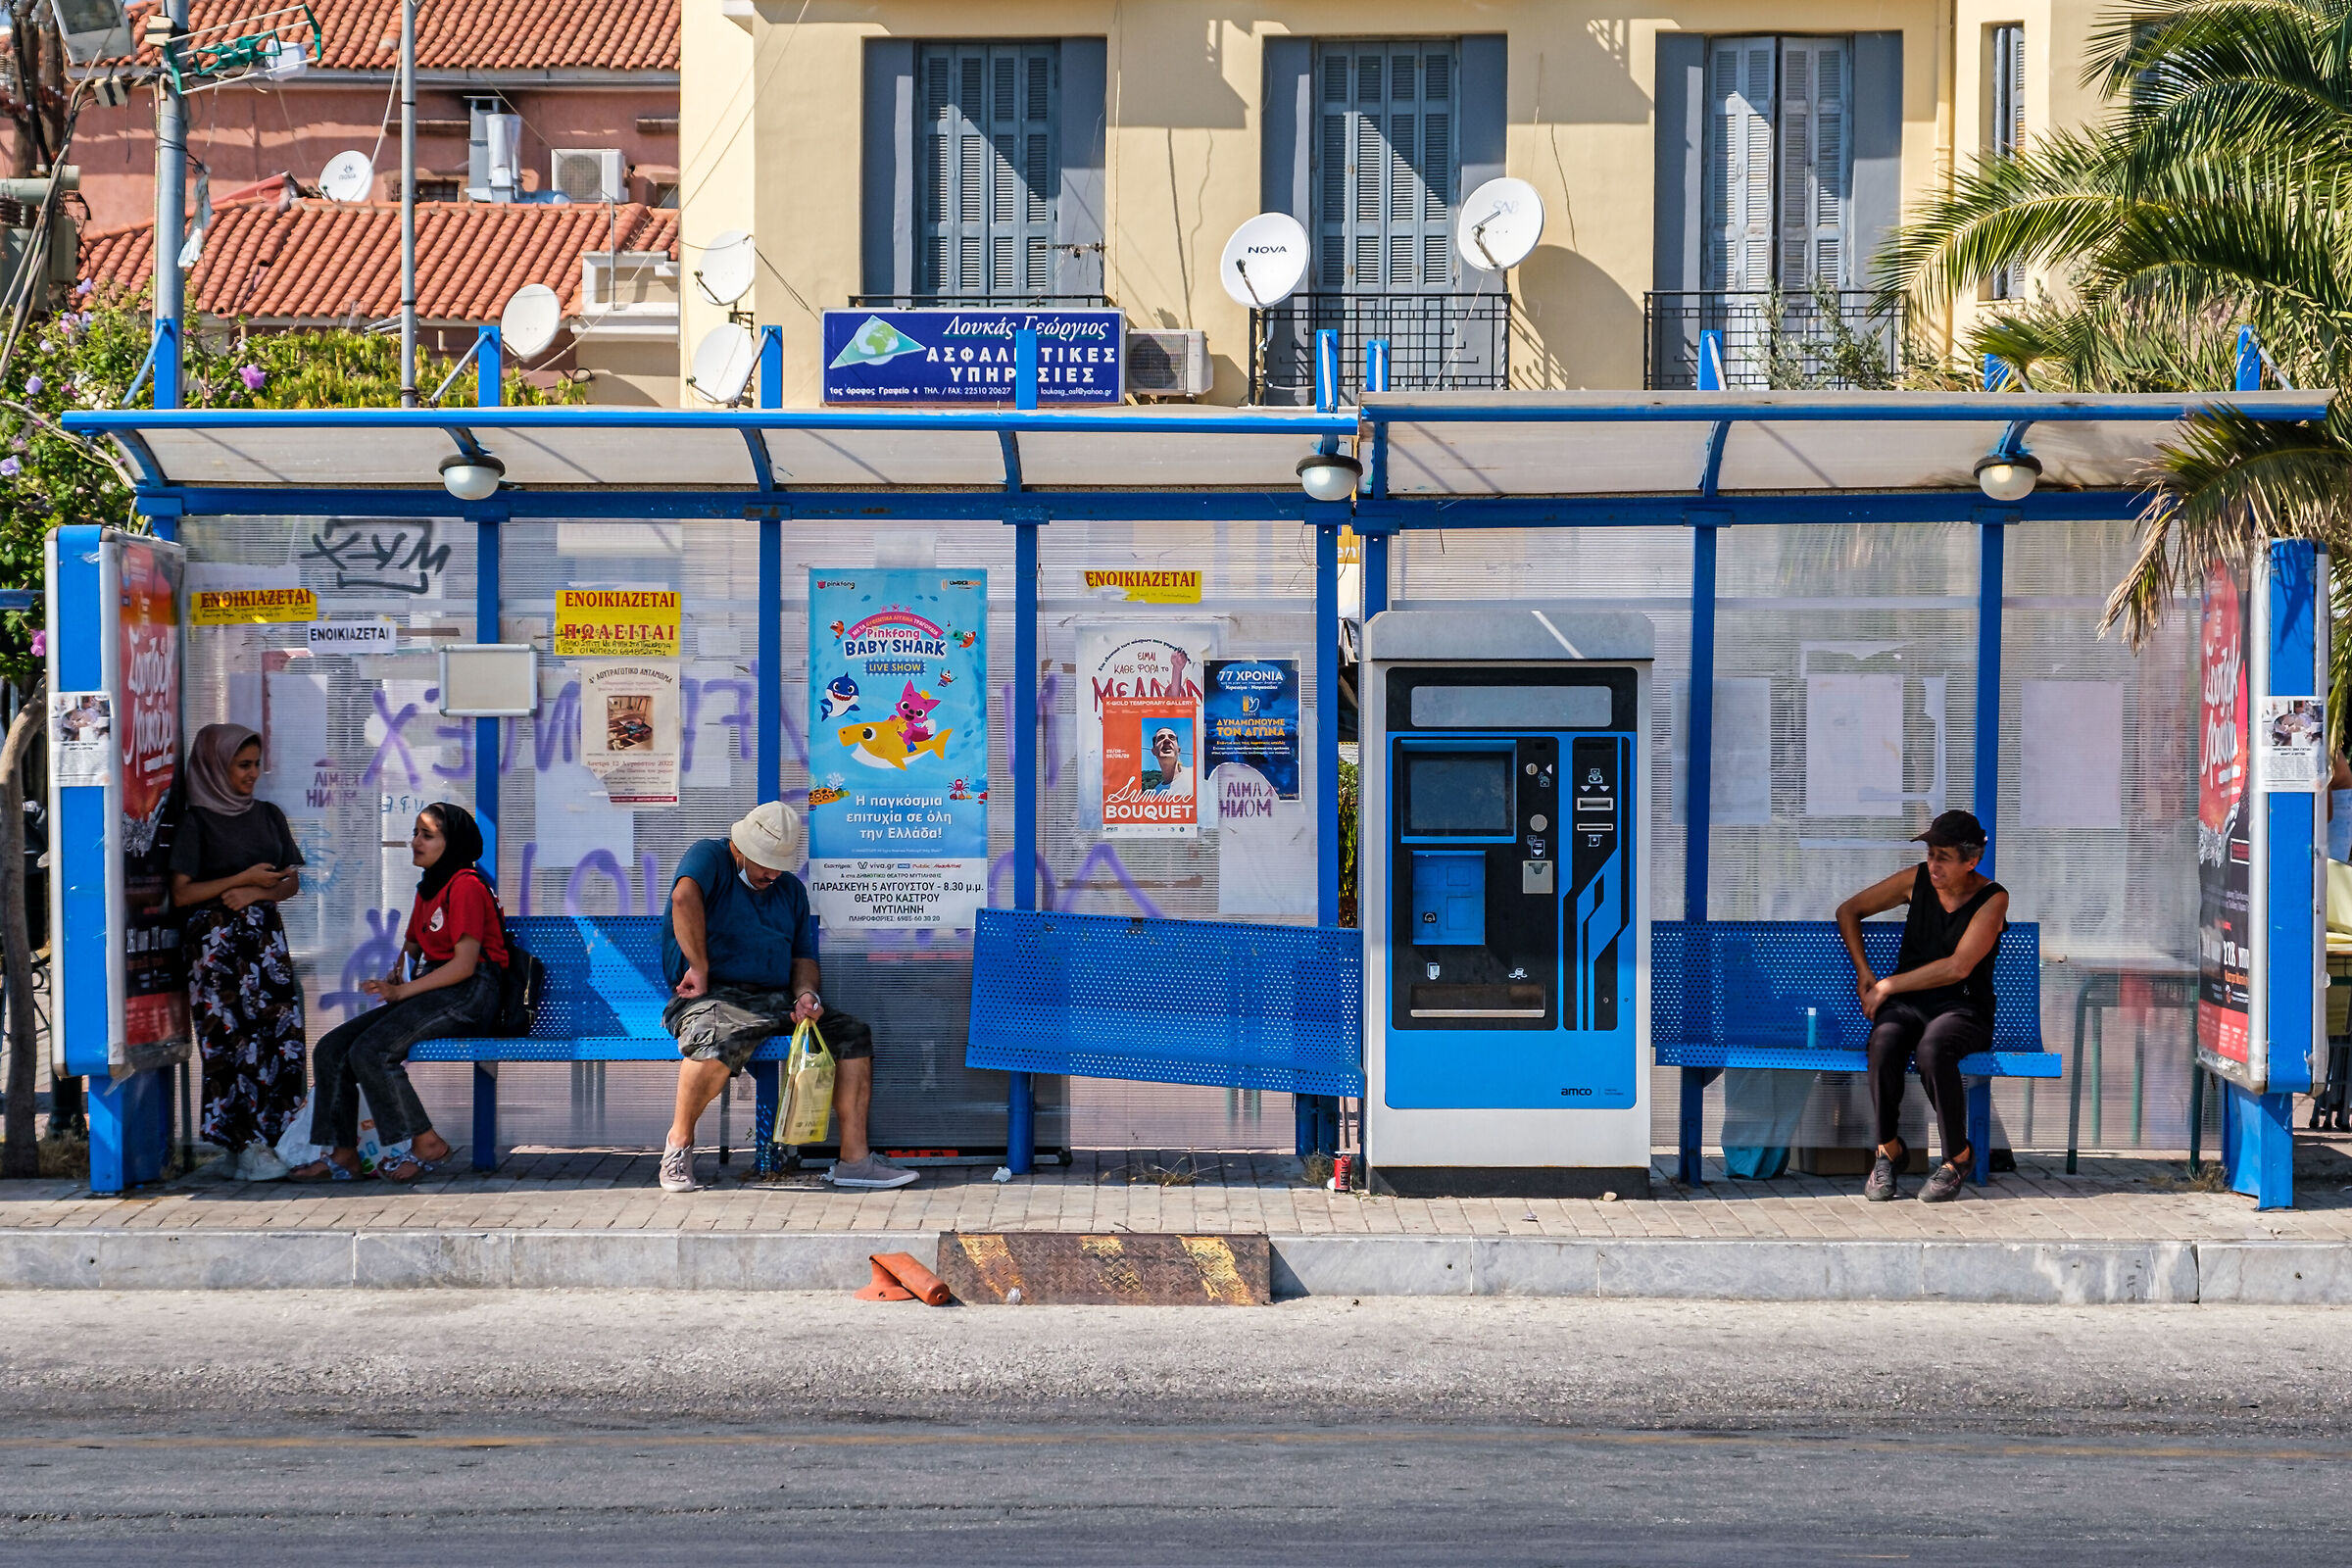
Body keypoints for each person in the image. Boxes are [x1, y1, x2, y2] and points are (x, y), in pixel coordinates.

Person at [659, 801, 914, 1194]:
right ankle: (678, 1145)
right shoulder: (708, 856)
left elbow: (803, 958)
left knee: (852, 1035)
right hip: (709, 997)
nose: (770, 873)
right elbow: (683, 899)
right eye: (763, 863)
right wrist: (698, 965)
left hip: (774, 1000)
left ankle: (854, 1161)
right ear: (740, 848)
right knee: (716, 1037)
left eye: (778, 865)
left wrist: (806, 994)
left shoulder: (790, 890)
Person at [290, 803, 505, 1183]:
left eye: (427, 835)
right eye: (414, 833)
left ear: (450, 842)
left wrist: (402, 992)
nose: (414, 842)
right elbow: (412, 946)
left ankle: (426, 1142)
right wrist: (393, 977)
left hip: (470, 992)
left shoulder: (467, 886)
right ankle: (343, 1153)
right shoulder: (429, 888)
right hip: (436, 989)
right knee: (331, 1048)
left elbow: (464, 965)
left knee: (373, 1050)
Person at [1834, 809, 2010, 1204]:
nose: (1933, 865)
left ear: (1971, 860)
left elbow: (1958, 966)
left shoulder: (1992, 898)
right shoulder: (1916, 880)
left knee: (1933, 1050)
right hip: (1910, 1005)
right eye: (1930, 854)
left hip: (1964, 1010)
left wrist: (1888, 985)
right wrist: (1865, 971)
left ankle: (1957, 1156)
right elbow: (1849, 911)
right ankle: (1888, 1149)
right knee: (1884, 1040)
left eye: (1943, 857)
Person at [172, 723, 307, 1182]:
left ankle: (274, 1138)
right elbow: (183, 894)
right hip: (216, 952)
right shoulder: (197, 822)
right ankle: (240, 1141)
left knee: (278, 1037)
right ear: (215, 766)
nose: (252, 775)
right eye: (242, 765)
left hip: (264, 944)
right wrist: (240, 881)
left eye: (255, 765)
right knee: (229, 1042)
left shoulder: (268, 815)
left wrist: (255, 893)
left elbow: (290, 881)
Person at [1146, 725, 1194, 798]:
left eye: (1172, 737)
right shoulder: (1155, 794)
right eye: (1161, 738)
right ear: (1154, 751)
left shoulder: (1196, 775)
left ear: (1178, 750)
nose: (1167, 740)